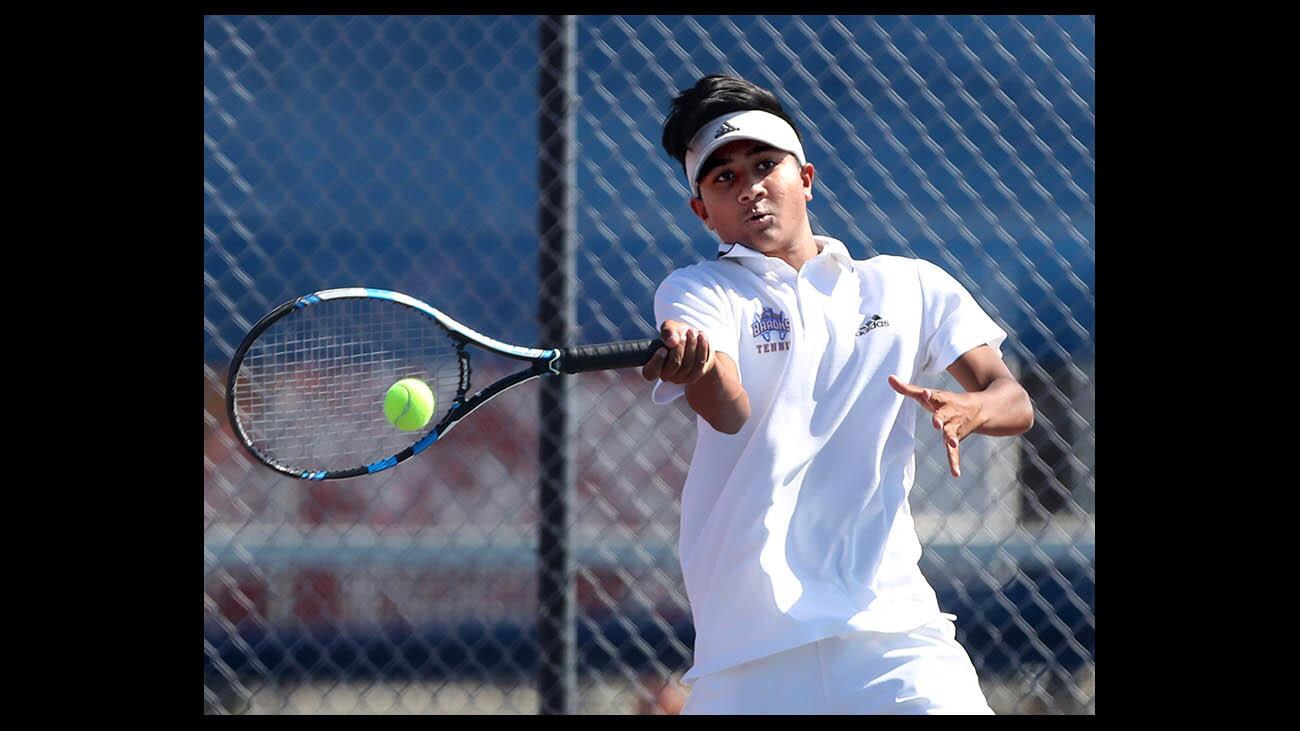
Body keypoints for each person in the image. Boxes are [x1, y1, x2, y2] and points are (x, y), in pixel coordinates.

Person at [640, 74, 1034, 714]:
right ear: (702, 211)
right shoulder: (697, 291)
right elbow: (730, 411)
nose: (751, 188)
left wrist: (972, 409)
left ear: (806, 179)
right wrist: (700, 369)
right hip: (748, 649)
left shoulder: (909, 285)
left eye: (766, 166)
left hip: (893, 632)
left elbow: (1012, 400)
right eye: (724, 179)